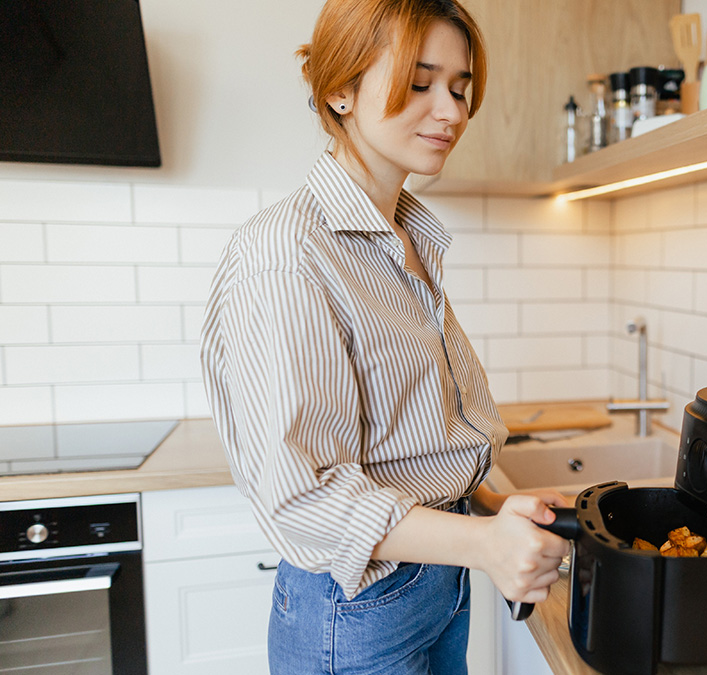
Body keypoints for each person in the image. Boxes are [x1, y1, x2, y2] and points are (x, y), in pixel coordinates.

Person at [199, 1, 570, 673]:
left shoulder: (405, 235)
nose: (452, 111)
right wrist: (484, 543)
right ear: (339, 88)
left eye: (459, 88)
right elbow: (304, 495)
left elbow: (408, 438)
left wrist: (488, 506)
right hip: (358, 603)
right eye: (420, 81)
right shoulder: (287, 251)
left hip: (431, 581)